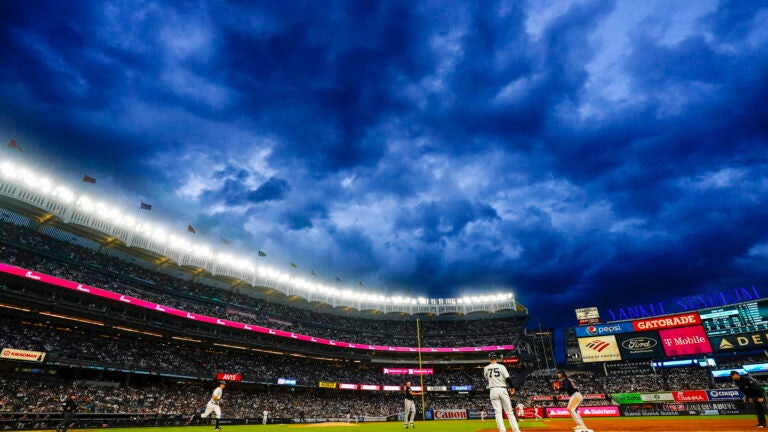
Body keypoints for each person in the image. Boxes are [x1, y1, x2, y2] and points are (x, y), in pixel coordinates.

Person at [483, 352, 521, 432]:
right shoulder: (501, 367)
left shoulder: (486, 368)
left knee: (498, 412)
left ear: (489, 358)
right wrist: (512, 387)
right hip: (502, 389)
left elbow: (486, 378)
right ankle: (516, 430)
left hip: (493, 390)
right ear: (496, 358)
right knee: (509, 412)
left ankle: (502, 430)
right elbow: (508, 378)